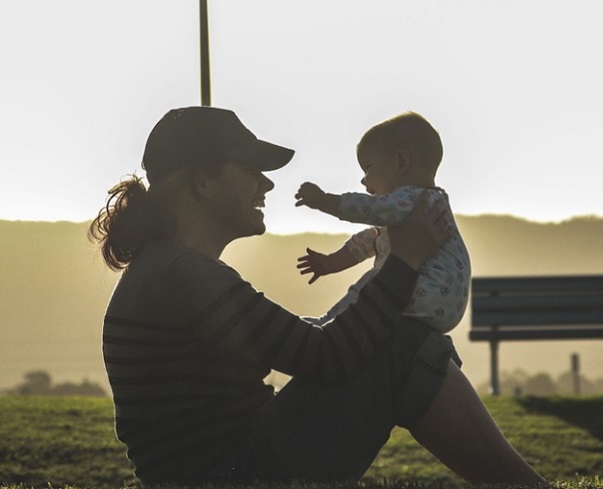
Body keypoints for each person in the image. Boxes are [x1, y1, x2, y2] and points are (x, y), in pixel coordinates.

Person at [89, 106, 544, 485]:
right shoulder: (181, 274)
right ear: (202, 182)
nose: (266, 185)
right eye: (251, 171)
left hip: (227, 470)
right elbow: (326, 356)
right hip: (233, 476)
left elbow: (299, 342)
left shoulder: (168, 270)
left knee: (399, 339)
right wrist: (404, 260)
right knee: (402, 341)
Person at [294, 112, 470, 334]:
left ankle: (330, 326)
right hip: (442, 304)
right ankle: (329, 323)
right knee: (377, 284)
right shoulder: (424, 206)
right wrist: (330, 263)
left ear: (401, 162)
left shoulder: (414, 198)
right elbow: (370, 241)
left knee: (371, 287)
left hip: (427, 292)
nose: (363, 180)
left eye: (367, 168)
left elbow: (369, 209)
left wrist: (323, 200)